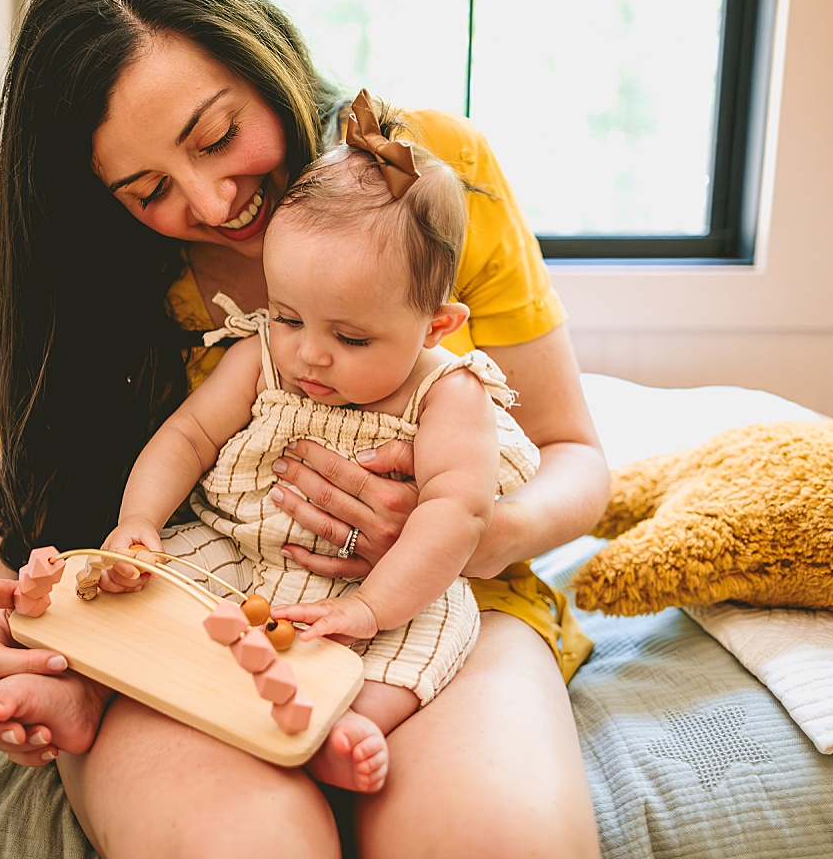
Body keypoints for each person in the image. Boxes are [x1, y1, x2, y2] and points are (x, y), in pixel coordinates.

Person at [0, 0, 609, 859]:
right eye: (148, 190)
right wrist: (34, 635)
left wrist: (463, 534)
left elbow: (574, 455)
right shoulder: (102, 281)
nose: (215, 202)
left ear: (262, 56)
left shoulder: (430, 185)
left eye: (219, 135)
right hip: (201, 605)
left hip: (453, 604)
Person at [64, 94, 542, 795]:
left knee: (428, 640)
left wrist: (370, 609)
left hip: (389, 585)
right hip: (243, 550)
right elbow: (189, 435)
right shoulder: (262, 350)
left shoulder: (449, 393)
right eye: (290, 316)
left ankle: (351, 723)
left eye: (350, 338)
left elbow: (455, 514)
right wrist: (138, 521)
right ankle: (86, 686)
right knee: (147, 590)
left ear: (436, 326)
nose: (309, 356)